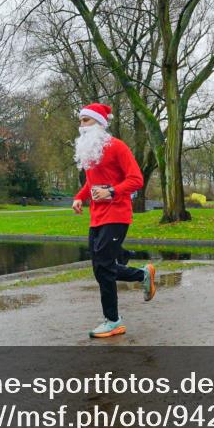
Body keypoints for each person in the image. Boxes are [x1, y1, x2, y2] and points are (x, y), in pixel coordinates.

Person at [72, 103, 156, 338]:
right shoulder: (91, 152)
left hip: (117, 214)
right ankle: (142, 275)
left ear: (99, 123)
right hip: (96, 217)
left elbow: (136, 179)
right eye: (80, 121)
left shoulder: (117, 147)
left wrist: (111, 191)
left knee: (104, 267)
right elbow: (91, 183)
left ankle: (113, 320)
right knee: (100, 268)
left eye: (86, 121)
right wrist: (79, 198)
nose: (81, 126)